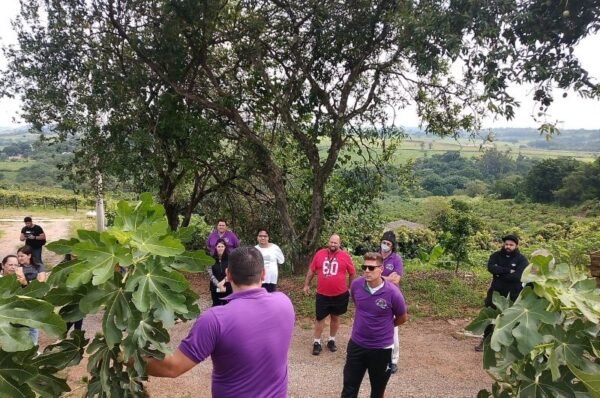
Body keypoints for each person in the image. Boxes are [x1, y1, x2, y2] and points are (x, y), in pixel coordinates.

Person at [143, 246, 295, 398]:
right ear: (263, 273)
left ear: (228, 275)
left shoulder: (215, 320)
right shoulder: (284, 303)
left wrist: (125, 358)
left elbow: (173, 367)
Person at [341, 252, 408, 398]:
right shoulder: (357, 285)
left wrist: (387, 326)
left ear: (381, 269)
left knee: (378, 391)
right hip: (357, 345)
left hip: (381, 349)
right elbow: (357, 303)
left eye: (371, 268)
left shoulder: (393, 293)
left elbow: (402, 317)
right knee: (349, 389)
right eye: (364, 267)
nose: (366, 271)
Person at [303, 234, 356, 355]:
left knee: (335, 317)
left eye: (335, 243)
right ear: (328, 242)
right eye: (331, 242)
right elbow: (311, 270)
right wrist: (306, 284)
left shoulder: (345, 256)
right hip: (322, 294)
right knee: (320, 318)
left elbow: (352, 273)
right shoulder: (320, 253)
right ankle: (316, 342)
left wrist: (350, 288)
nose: (333, 245)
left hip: (339, 294)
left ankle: (331, 340)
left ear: (339, 243)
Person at [475, 234, 528, 352]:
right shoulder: (496, 256)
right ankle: (486, 341)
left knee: (511, 319)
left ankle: (508, 346)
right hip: (495, 293)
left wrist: (500, 273)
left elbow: (518, 276)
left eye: (511, 245)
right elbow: (491, 268)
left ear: (516, 245)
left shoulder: (522, 260)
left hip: (513, 294)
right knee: (490, 316)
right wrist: (508, 270)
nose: (508, 246)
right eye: (506, 244)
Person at [379, 231, 404, 374]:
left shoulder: (396, 259)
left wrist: (380, 277)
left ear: (392, 246)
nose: (385, 245)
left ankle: (393, 360)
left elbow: (396, 280)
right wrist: (387, 277)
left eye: (388, 244)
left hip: (391, 298)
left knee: (393, 330)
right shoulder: (375, 256)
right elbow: (367, 275)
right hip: (375, 295)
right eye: (384, 242)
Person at [255, 228, 285, 292]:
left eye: (265, 236)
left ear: (268, 237)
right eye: (260, 236)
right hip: (258, 280)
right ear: (257, 237)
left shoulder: (275, 248)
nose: (263, 238)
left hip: (272, 279)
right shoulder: (254, 249)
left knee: (271, 296)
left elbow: (281, 261)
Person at [207, 239, 233, 306]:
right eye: (219, 246)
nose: (220, 248)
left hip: (228, 287)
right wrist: (218, 284)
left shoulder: (230, 258)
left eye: (222, 246)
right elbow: (210, 273)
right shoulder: (211, 259)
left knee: (228, 306)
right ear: (216, 247)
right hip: (215, 287)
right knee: (216, 305)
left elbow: (232, 271)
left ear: (225, 247)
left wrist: (223, 282)